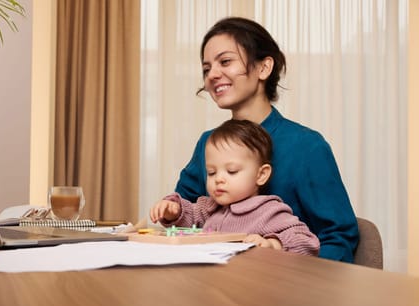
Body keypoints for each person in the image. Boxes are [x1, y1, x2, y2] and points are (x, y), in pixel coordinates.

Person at [173, 16, 359, 262]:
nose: (212, 75)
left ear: (264, 68)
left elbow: (339, 238)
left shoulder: (307, 147)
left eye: (225, 61)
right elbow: (181, 220)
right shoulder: (207, 144)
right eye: (206, 69)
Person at [150, 119, 320, 256]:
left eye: (231, 171)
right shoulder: (208, 207)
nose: (219, 179)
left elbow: (306, 241)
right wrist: (173, 210)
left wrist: (273, 244)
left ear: (261, 175)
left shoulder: (268, 211)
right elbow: (188, 215)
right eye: (211, 172)